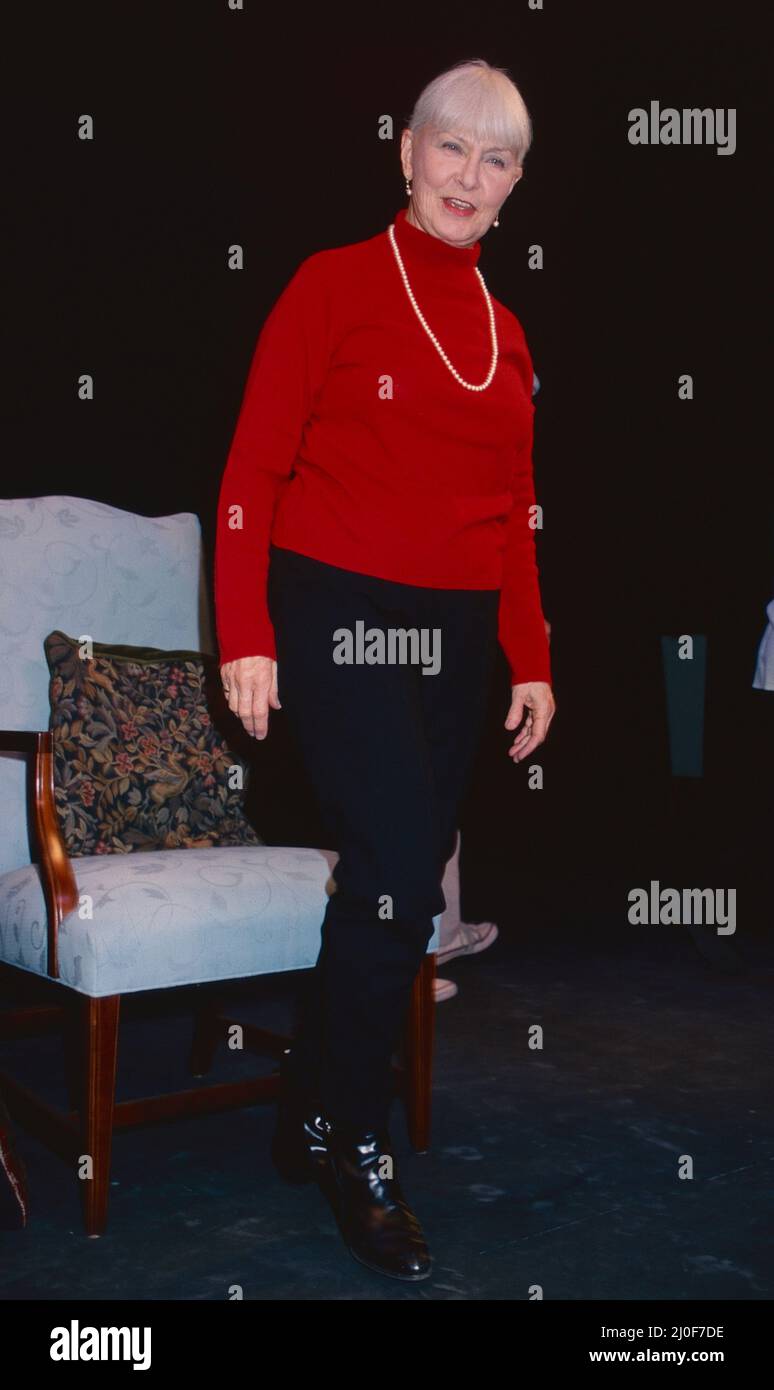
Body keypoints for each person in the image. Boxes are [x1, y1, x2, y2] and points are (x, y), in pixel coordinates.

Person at [213, 58, 557, 1282]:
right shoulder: (332, 284)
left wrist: (535, 655)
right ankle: (356, 1137)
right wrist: (245, 629)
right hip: (339, 606)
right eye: (451, 148)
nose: (471, 174)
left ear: (514, 185)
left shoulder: (505, 334)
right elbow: (252, 471)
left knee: (384, 877)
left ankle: (309, 1104)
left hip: (459, 629)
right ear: (405, 154)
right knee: (405, 871)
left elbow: (515, 510)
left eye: (498, 157)